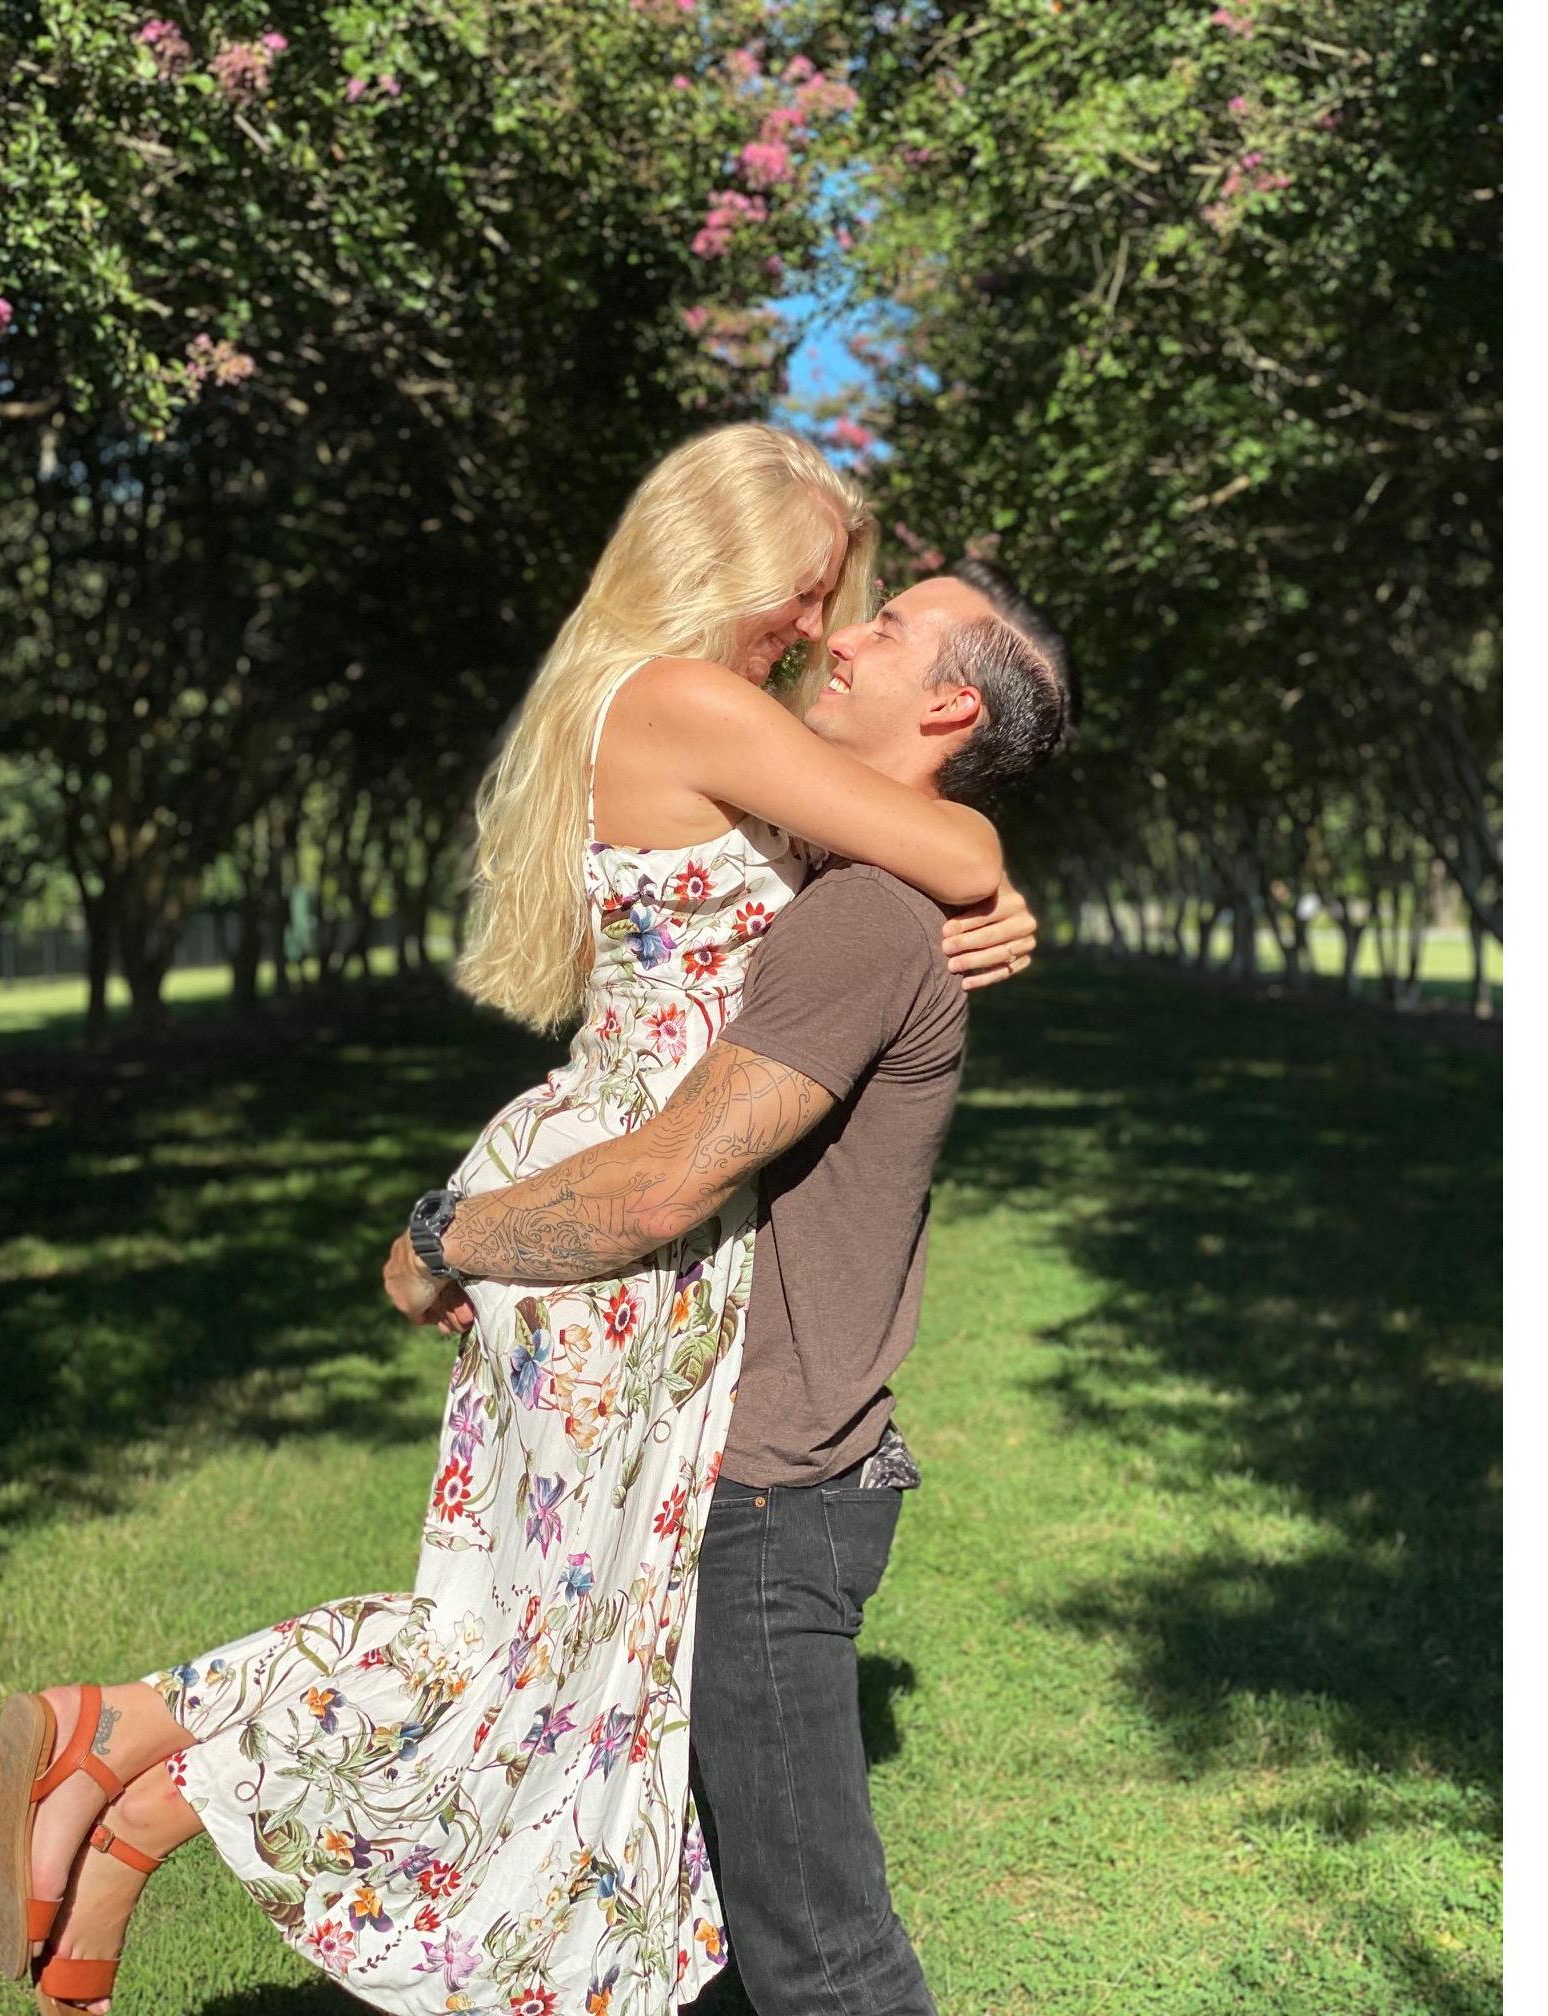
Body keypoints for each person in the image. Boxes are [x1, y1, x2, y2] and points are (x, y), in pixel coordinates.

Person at [0, 425, 1041, 2016]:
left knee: (531, 1646)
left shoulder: (696, 714)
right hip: (620, 1221)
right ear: (729, 561)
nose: (820, 627)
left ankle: (124, 1763)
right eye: (815, 589)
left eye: (851, 606)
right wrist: (988, 878)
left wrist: (977, 898)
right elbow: (949, 840)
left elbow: (900, 866)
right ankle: (138, 1753)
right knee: (530, 1663)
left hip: (636, 1213)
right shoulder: (688, 700)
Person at [382, 558, 1071, 2016]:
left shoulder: (860, 916)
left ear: (950, 705)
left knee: (822, 1959)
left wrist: (444, 1236)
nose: (842, 634)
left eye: (889, 625)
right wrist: (991, 871)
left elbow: (663, 1184)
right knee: (685, 1927)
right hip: (734, 1469)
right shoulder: (851, 883)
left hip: (764, 1490)